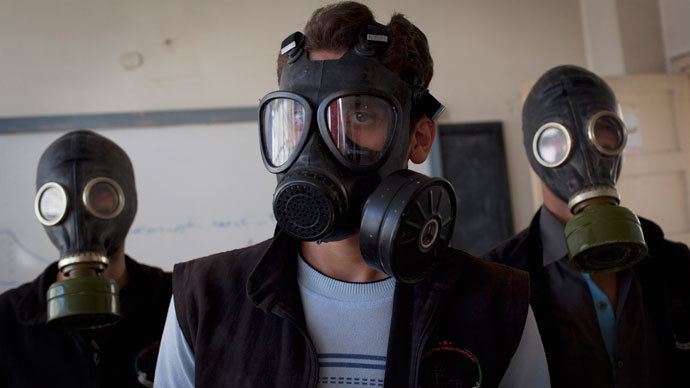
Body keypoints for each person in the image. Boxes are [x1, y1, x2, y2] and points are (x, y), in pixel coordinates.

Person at [155, 2, 550, 387]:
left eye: (359, 115)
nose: (316, 145)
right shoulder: (204, 300)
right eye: (296, 116)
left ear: (419, 137)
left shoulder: (498, 304)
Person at [483, 65, 690, 387]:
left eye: (602, 130)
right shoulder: (497, 283)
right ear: (535, 152)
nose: (586, 154)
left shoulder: (674, 264)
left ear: (618, 138)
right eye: (557, 139)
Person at [0, 130, 172, 387]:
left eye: (100, 193)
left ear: (128, 203)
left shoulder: (178, 304)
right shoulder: (7, 320)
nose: (78, 216)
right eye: (59, 199)